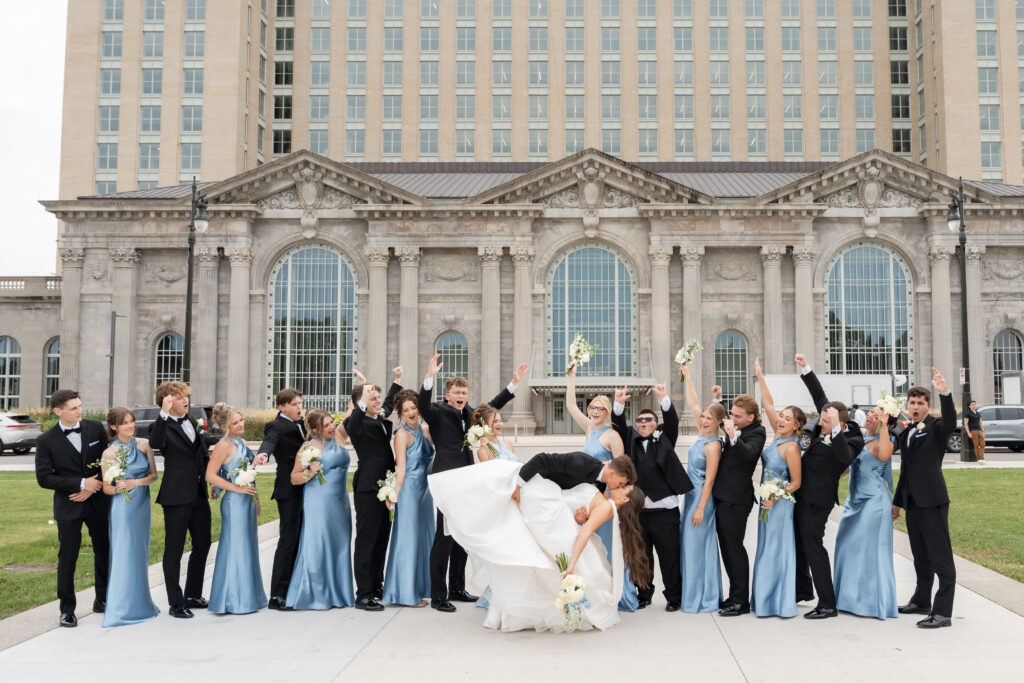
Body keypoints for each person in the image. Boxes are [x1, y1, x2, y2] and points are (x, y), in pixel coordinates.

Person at [428, 454, 648, 632]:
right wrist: (521, 486)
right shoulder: (588, 471)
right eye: (622, 483)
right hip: (543, 495)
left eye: (624, 487)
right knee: (502, 488)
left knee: (537, 556)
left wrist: (573, 556)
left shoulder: (607, 504)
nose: (621, 486)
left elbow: (585, 529)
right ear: (612, 473)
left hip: (550, 507)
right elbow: (545, 462)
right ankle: (459, 496)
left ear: (625, 499)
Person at [419, 353, 528, 613]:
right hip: (448, 479)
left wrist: (512, 385)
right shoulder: (437, 411)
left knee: (462, 534)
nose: (461, 396)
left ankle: (457, 588)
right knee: (444, 536)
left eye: (464, 393)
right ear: (447, 395)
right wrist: (429, 378)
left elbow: (489, 408)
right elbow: (423, 405)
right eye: (456, 392)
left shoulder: (468, 413)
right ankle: (438, 595)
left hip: (467, 479)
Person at [610, 382, 692, 612]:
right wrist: (618, 403)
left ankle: (674, 597)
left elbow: (673, 422)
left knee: (670, 558)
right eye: (640, 421)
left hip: (665, 511)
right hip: (639, 512)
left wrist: (664, 398)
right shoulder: (630, 440)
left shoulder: (665, 438)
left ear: (656, 425)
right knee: (641, 556)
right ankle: (644, 594)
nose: (643, 423)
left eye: (648, 421)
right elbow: (618, 425)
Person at [792, 353, 862, 619]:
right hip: (800, 495)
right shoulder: (825, 421)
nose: (819, 424)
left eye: (826, 421)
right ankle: (802, 590)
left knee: (814, 548)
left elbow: (845, 459)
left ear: (840, 423)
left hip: (817, 502)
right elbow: (819, 396)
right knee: (799, 545)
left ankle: (827, 603)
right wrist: (806, 367)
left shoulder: (853, 437)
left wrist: (835, 430)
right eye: (821, 419)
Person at [34, 390, 110, 627]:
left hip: (98, 501)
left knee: (104, 551)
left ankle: (103, 600)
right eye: (74, 408)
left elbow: (110, 460)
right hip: (69, 506)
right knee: (68, 557)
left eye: (80, 406)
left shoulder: (96, 428)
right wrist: (79, 484)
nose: (80, 411)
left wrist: (91, 487)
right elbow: (44, 478)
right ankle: (67, 610)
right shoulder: (45, 441)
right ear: (58, 411)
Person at [566, 362, 636, 611]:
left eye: (600, 408)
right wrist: (572, 376)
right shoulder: (589, 429)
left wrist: (616, 503)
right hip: (589, 493)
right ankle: (596, 591)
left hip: (606, 497)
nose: (595, 411)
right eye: (593, 407)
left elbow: (623, 471)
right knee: (592, 545)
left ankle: (618, 593)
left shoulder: (612, 435)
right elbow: (570, 405)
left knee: (607, 545)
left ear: (607, 412)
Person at [893, 368, 958, 629]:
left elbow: (952, 421)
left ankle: (943, 612)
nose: (916, 406)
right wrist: (898, 501)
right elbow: (906, 470)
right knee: (920, 556)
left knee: (940, 556)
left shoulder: (937, 427)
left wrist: (945, 393)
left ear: (928, 406)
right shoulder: (906, 431)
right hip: (913, 502)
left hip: (932, 501)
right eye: (912, 402)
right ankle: (921, 601)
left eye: (921, 403)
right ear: (907, 405)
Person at [150, 381, 211, 619]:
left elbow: (202, 453)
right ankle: (175, 603)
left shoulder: (190, 421)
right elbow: (155, 443)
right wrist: (163, 413)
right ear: (167, 402)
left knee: (203, 543)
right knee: (174, 550)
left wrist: (211, 481)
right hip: (176, 495)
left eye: (186, 396)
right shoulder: (162, 425)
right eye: (179, 397)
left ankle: (192, 594)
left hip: (198, 492)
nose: (186, 401)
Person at [750, 359, 803, 618]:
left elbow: (796, 482)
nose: (781, 419)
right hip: (767, 502)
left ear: (796, 425)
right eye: (781, 416)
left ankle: (778, 602)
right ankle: (763, 599)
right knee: (765, 548)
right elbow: (768, 403)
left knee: (776, 550)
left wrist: (775, 497)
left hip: (780, 506)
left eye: (787, 418)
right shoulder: (776, 436)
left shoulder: (791, 446)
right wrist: (760, 374)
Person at [833, 404, 898, 619]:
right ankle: (847, 598)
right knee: (846, 545)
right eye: (870, 412)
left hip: (874, 503)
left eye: (876, 415)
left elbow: (886, 455)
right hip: (854, 502)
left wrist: (884, 427)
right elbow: (848, 464)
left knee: (869, 552)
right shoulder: (860, 436)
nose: (870, 416)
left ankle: (871, 603)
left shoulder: (884, 441)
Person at [287, 410, 355, 610]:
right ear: (316, 429)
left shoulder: (340, 436)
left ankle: (339, 593)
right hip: (318, 502)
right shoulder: (307, 448)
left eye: (332, 422)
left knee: (340, 544)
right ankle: (317, 595)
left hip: (340, 502)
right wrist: (310, 472)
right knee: (319, 544)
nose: (332, 427)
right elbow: (294, 477)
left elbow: (353, 412)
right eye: (326, 425)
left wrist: (362, 389)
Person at [345, 374, 402, 611]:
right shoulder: (355, 424)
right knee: (367, 541)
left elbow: (387, 404)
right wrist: (363, 394)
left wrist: (396, 382)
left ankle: (376, 586)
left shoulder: (379, 419)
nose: (377, 401)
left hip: (386, 487)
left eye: (377, 397)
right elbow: (354, 419)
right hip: (368, 489)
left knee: (381, 540)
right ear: (360, 403)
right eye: (372, 398)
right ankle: (364, 593)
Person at [100, 408, 159, 627]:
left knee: (139, 553)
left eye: (132, 421)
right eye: (125, 423)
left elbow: (153, 476)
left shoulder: (144, 445)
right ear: (114, 427)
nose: (130, 426)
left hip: (141, 506)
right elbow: (106, 488)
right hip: (123, 508)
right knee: (124, 553)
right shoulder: (110, 453)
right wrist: (120, 488)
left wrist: (136, 483)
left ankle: (142, 603)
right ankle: (121, 608)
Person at [205, 404, 266, 615]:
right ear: (224, 426)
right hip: (233, 503)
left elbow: (246, 471)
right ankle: (231, 599)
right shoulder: (222, 445)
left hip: (247, 502)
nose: (241, 425)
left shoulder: (242, 442)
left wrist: (256, 498)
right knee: (235, 547)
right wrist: (234, 488)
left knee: (247, 546)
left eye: (241, 420)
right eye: (235, 422)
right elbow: (210, 475)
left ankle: (249, 597)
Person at [712, 390, 767, 617]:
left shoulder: (757, 432)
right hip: (724, 497)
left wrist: (733, 436)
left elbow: (747, 454)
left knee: (735, 549)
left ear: (750, 417)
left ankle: (740, 601)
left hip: (737, 500)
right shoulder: (741, 428)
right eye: (731, 414)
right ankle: (734, 595)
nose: (732, 419)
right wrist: (718, 401)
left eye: (737, 415)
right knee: (726, 548)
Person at [382, 390, 435, 608]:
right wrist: (393, 493)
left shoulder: (424, 430)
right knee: (408, 540)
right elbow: (400, 469)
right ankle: (405, 593)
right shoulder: (401, 434)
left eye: (413, 408)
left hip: (426, 492)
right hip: (410, 491)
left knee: (424, 539)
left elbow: (435, 454)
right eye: (406, 410)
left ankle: (422, 588)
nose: (411, 412)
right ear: (400, 413)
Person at [679, 365, 725, 614]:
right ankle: (694, 595)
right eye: (703, 417)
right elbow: (695, 403)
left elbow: (709, 480)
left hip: (701, 502)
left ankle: (702, 598)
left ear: (719, 421)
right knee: (690, 548)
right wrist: (688, 377)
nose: (704, 420)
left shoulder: (713, 446)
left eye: (709, 418)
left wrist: (699, 509)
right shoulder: (702, 433)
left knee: (697, 549)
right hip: (691, 497)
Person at [256, 388, 307, 610]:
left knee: (301, 538)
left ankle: (295, 587)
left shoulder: (302, 423)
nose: (299, 407)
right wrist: (263, 454)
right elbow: (270, 441)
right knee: (288, 540)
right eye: (294, 404)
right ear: (282, 407)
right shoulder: (276, 425)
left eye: (299, 403)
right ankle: (277, 594)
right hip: (288, 490)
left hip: (306, 487)